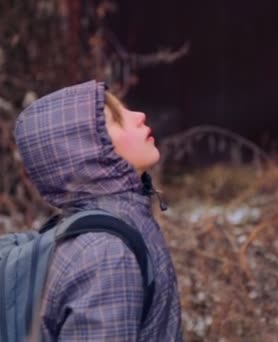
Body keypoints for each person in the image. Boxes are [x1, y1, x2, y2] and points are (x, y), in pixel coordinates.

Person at [13, 80, 182, 341]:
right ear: (84, 151)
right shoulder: (106, 253)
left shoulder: (119, 226)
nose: (138, 116)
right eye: (114, 119)